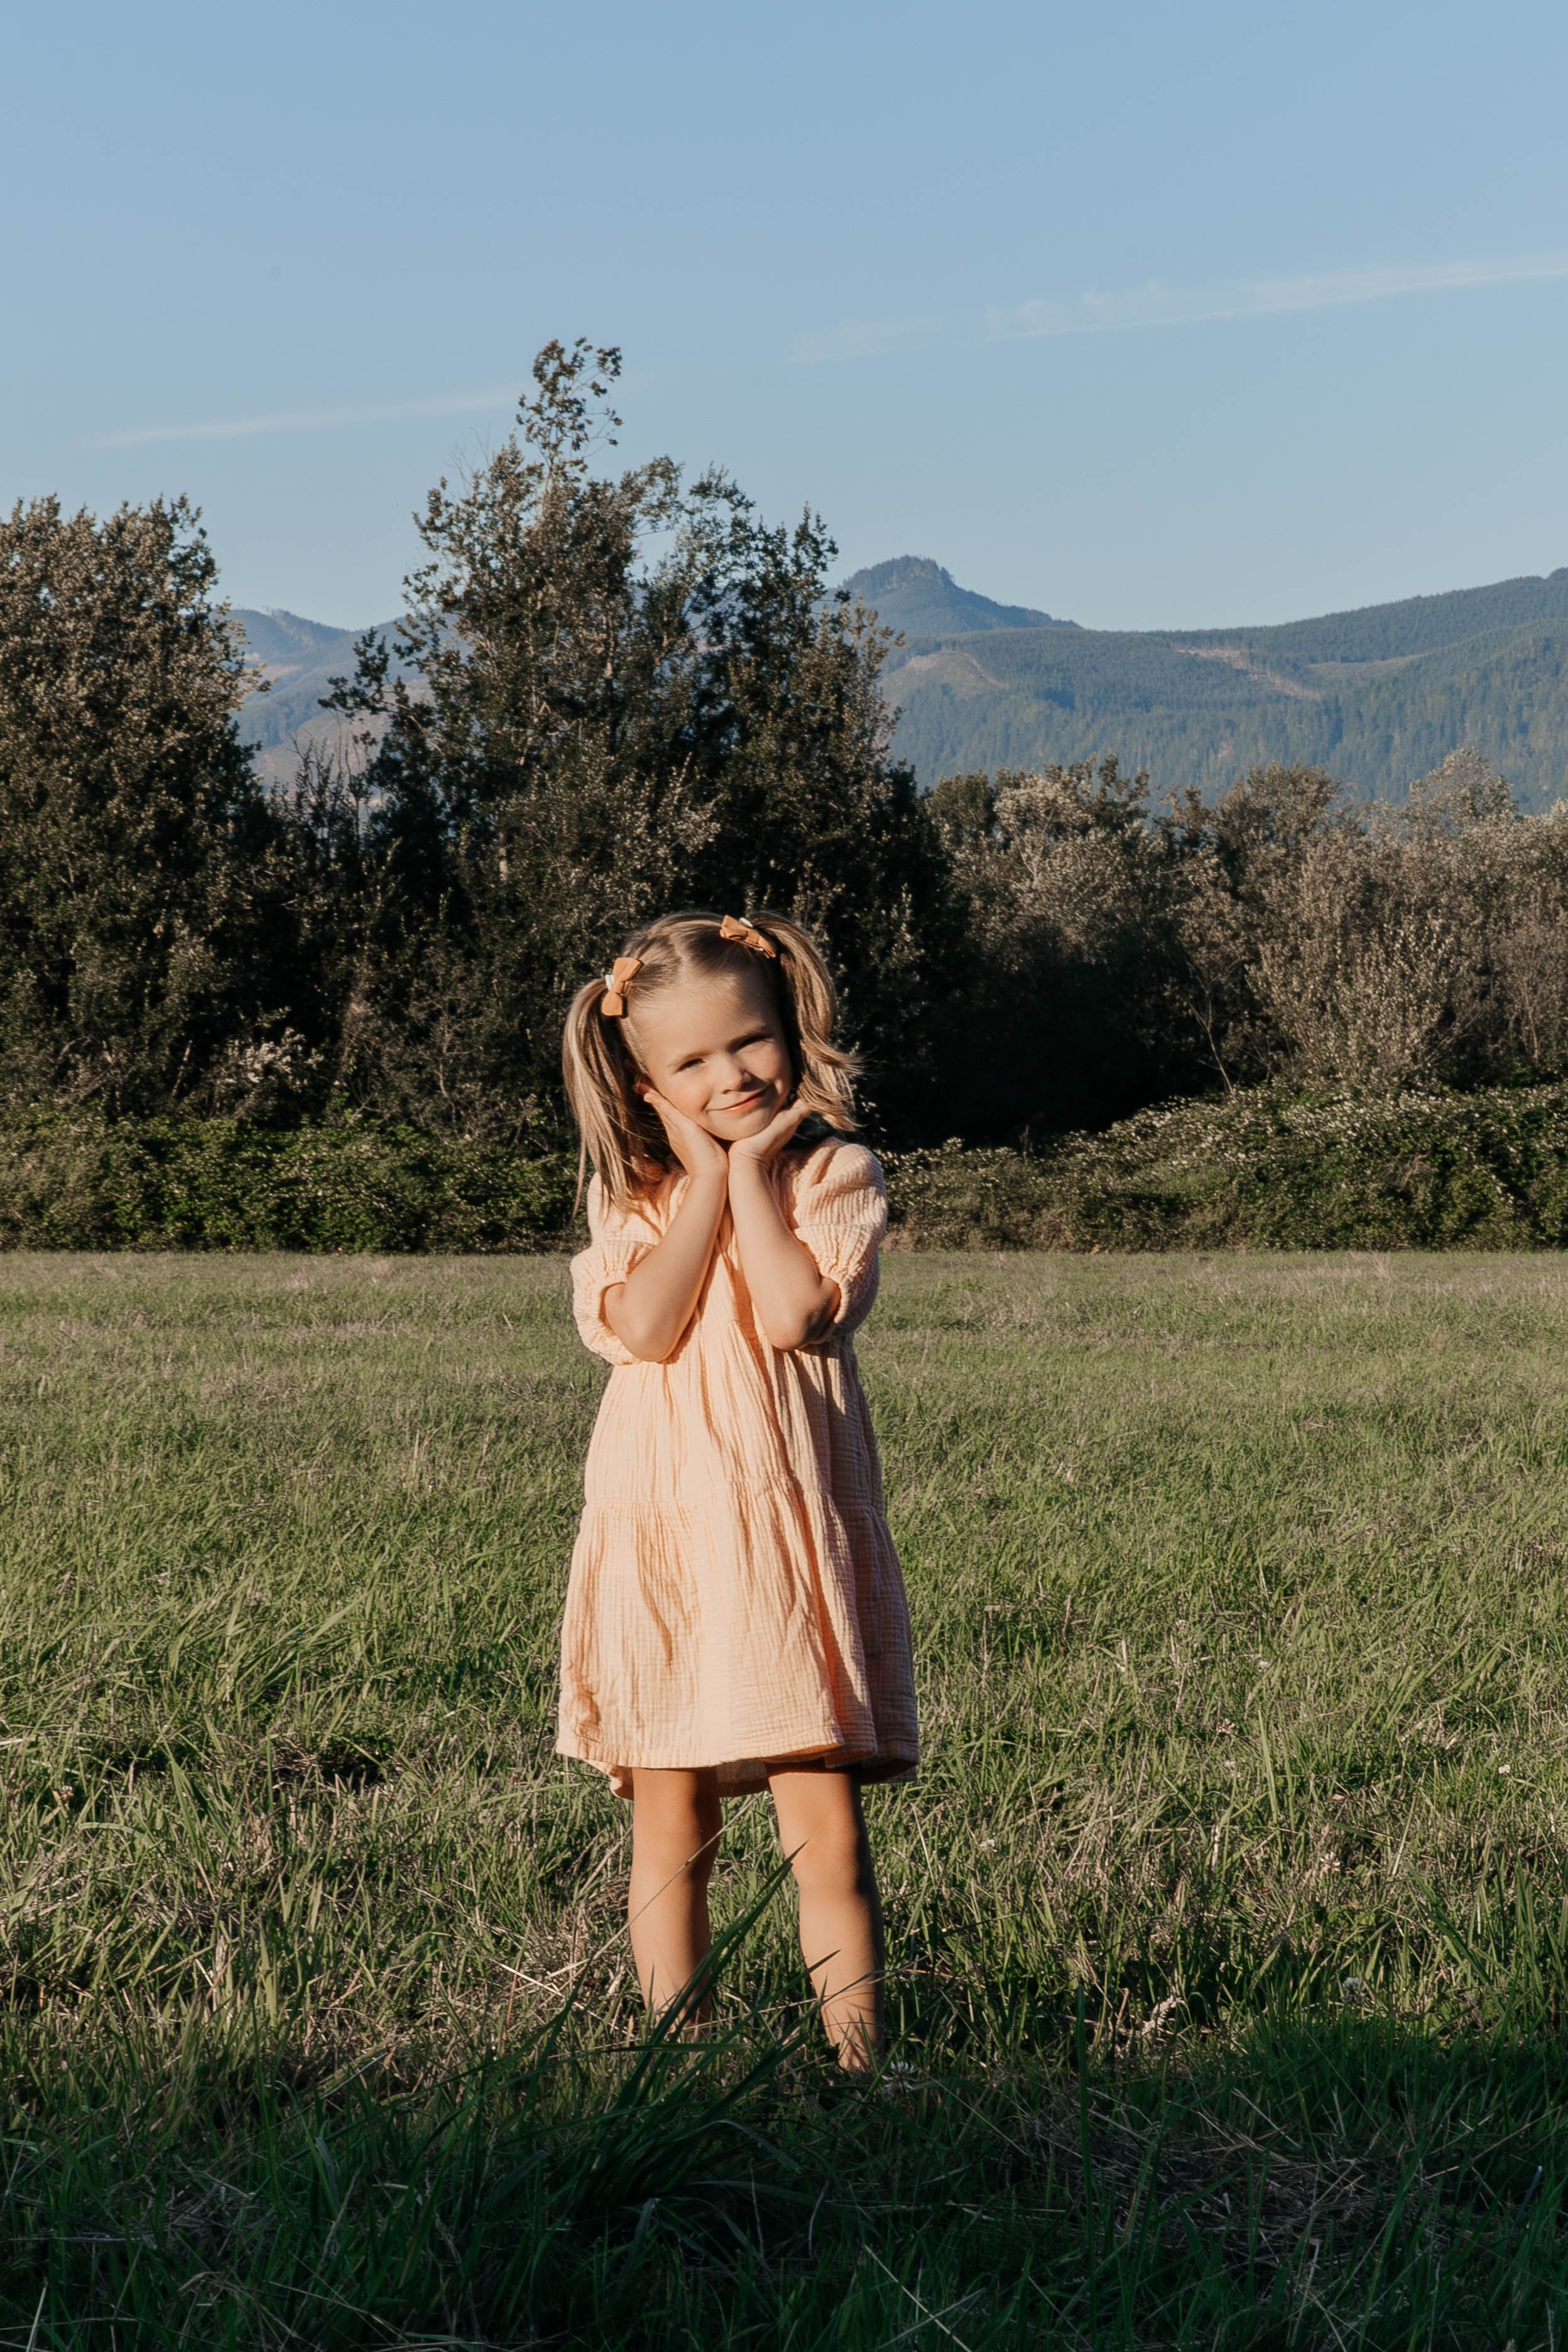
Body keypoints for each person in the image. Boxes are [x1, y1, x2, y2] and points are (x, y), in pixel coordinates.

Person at [557, 910, 918, 2069]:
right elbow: (648, 1327)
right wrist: (707, 1178)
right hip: (662, 1536)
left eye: (749, 1042)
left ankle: (862, 2070)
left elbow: (793, 1312)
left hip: (782, 1538)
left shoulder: (837, 1173)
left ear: (791, 1028)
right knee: (672, 1827)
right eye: (691, 1064)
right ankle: (682, 2058)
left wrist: (756, 1170)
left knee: (826, 1830)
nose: (732, 1077)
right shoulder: (638, 1203)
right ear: (645, 1083)